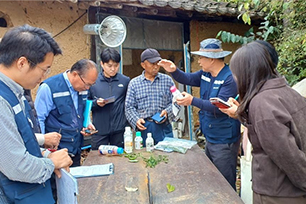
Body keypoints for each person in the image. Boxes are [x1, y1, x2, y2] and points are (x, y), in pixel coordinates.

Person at [0, 24, 72, 204]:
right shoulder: (1, 100)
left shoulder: (16, 93)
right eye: (44, 69)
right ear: (22, 63)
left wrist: (47, 155)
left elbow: (21, 142)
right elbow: (16, 166)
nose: (45, 76)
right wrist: (52, 163)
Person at [226, 41, 306, 203]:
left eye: (235, 73)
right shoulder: (288, 92)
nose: (235, 78)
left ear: (247, 73)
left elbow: (287, 155)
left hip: (279, 193)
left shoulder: (261, 103)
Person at [159, 38, 241, 189]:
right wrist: (173, 70)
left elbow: (219, 106)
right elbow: (188, 78)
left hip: (224, 139)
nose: (198, 61)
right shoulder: (206, 74)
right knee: (212, 180)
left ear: (211, 59)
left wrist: (192, 101)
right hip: (210, 136)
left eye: (201, 57)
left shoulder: (229, 78)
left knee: (225, 184)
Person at [35, 59, 98, 166]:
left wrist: (87, 124)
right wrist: (42, 147)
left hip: (76, 149)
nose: (87, 88)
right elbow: (39, 119)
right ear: (75, 74)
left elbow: (81, 111)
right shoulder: (49, 88)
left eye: (90, 85)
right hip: (56, 153)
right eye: (87, 84)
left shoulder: (83, 89)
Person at [125, 48, 176, 144]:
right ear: (143, 65)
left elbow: (177, 101)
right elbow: (129, 107)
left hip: (164, 127)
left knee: (167, 156)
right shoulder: (134, 83)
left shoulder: (168, 81)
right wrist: (136, 120)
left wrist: (167, 112)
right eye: (152, 63)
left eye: (157, 63)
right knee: (145, 157)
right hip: (144, 127)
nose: (156, 66)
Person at [88, 48, 130, 149]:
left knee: (120, 159)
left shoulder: (125, 81)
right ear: (102, 64)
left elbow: (130, 103)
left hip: (119, 130)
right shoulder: (94, 82)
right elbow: (85, 103)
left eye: (116, 65)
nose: (113, 69)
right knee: (98, 160)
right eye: (109, 66)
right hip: (99, 130)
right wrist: (96, 103)